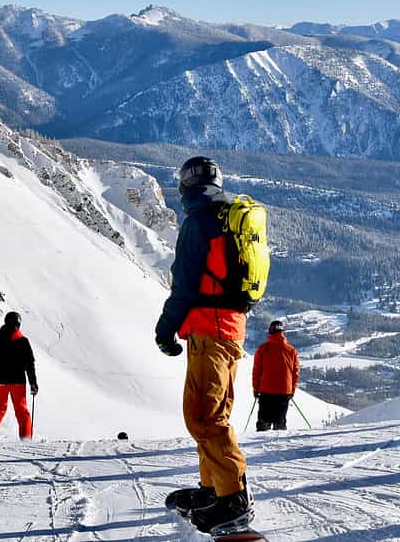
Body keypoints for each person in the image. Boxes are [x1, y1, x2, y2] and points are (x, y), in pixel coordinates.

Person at [156, 157, 254, 535]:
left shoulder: (199, 222)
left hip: (209, 330)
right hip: (231, 329)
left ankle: (232, 498)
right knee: (213, 412)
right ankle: (213, 488)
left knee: (203, 415)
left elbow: (183, 287)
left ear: (185, 188)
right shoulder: (231, 217)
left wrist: (165, 331)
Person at [0, 311, 38, 440]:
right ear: (18, 324)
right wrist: (33, 383)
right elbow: (29, 364)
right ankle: (26, 438)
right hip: (18, 381)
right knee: (21, 410)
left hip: (0, 380)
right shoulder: (23, 341)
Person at [253, 320, 300, 431]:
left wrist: (255, 388)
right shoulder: (291, 350)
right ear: (282, 331)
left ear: (270, 331)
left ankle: (260, 446)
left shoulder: (263, 349)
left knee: (263, 423)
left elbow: (257, 371)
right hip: (284, 391)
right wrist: (292, 390)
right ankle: (279, 446)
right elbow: (296, 373)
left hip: (266, 390)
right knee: (280, 423)